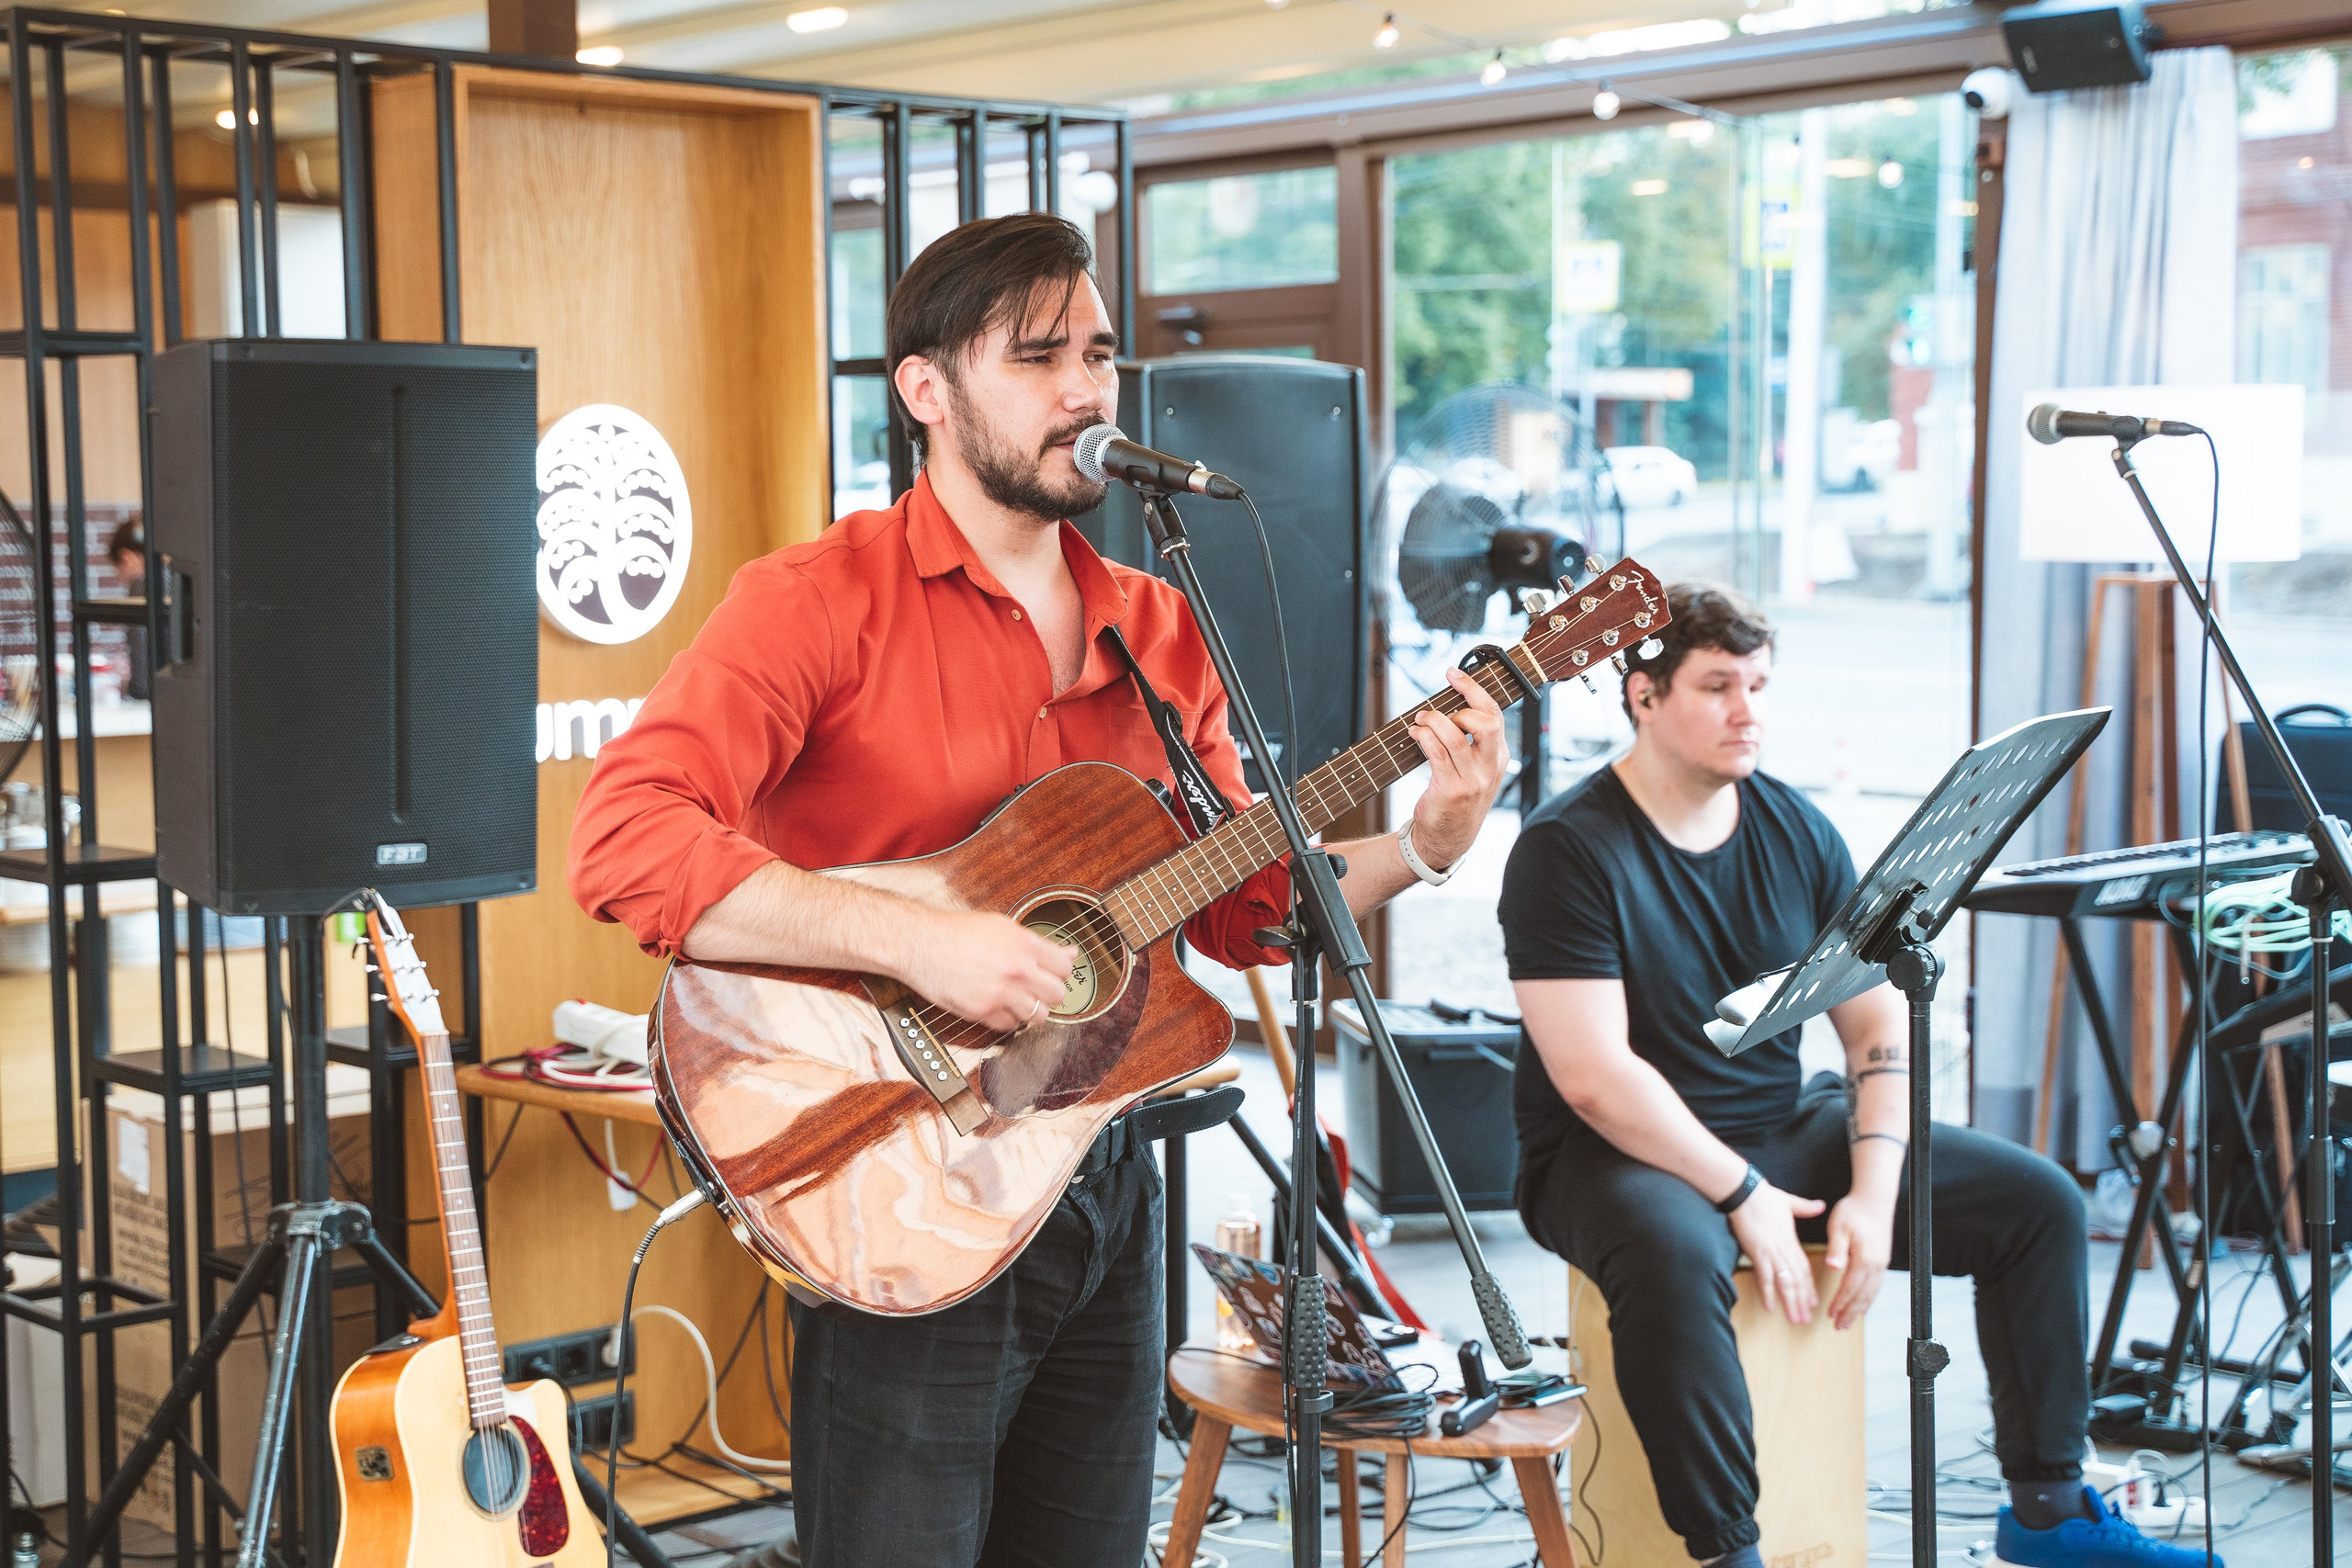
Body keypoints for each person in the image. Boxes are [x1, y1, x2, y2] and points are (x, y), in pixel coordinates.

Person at [568, 210, 1510, 1567]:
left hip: (1101, 1157)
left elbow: (1248, 903)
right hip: (894, 1158)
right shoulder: (815, 602)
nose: (1083, 389)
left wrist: (1430, 835)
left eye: (1100, 352)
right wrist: (919, 940)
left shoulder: (1158, 620)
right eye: (1037, 355)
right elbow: (626, 836)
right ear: (927, 389)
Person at [1499, 582, 2215, 1568]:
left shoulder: (1795, 831)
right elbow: (1590, 1077)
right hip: (1611, 1154)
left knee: (2036, 1204)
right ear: (1642, 695)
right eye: (1717, 686)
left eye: (1757, 684)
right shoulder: (1565, 847)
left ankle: (2045, 1509)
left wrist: (1875, 1197)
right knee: (1674, 1254)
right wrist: (1739, 1192)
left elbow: (1878, 1024)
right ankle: (1725, 1552)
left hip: (1782, 1125)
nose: (1747, 710)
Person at [107, 518, 148, 701]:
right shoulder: (176, 580)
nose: (120, 577)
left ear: (126, 557)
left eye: (118, 569)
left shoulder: (142, 587)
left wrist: (129, 685)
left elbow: (143, 683)